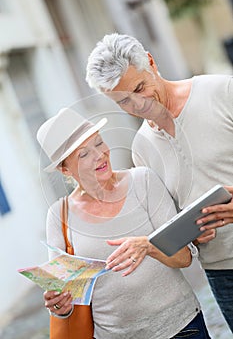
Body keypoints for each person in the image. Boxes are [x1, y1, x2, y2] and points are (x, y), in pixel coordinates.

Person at [85, 33, 233, 332]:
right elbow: (170, 223)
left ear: (151, 62)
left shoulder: (222, 91)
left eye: (139, 88)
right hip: (222, 273)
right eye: (123, 100)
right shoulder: (141, 148)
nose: (137, 104)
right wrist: (190, 233)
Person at [36, 107, 211, 339]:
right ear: (64, 168)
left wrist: (149, 246)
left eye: (99, 143)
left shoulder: (144, 181)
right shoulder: (59, 215)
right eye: (83, 154)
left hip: (182, 326)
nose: (99, 155)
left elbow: (185, 258)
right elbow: (65, 293)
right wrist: (60, 306)